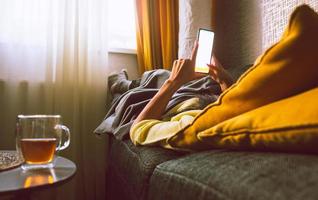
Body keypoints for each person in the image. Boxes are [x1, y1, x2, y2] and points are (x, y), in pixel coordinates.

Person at [130, 41, 233, 148]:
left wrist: (172, 82)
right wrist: (224, 79)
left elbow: (138, 129)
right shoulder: (244, 109)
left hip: (176, 99)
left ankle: (122, 84)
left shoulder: (196, 126)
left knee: (155, 78)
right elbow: (235, 106)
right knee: (163, 74)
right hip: (201, 91)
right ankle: (127, 84)